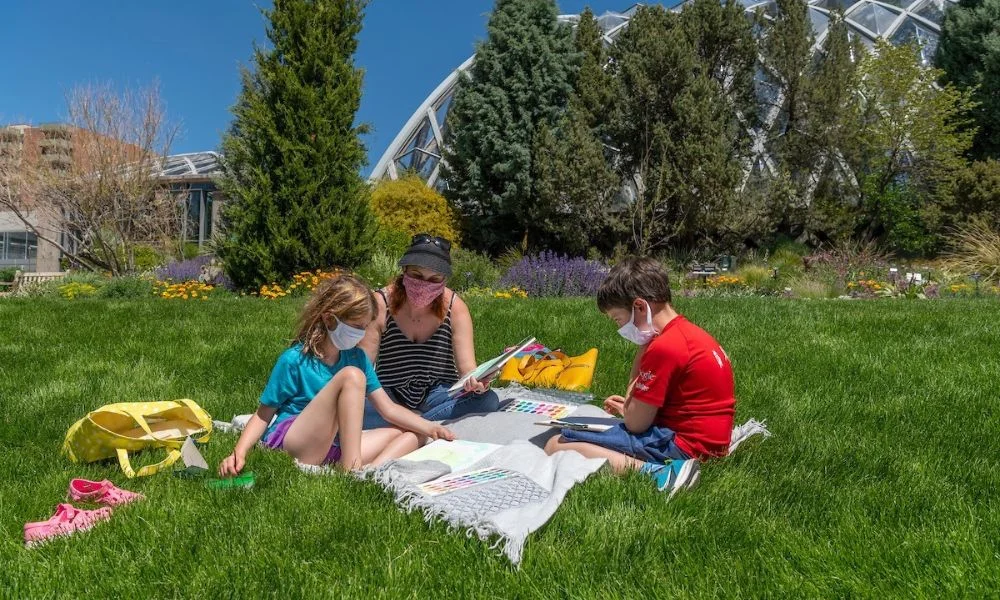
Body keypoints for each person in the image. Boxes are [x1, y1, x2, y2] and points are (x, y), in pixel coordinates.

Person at [219, 274, 454, 476]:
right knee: (351, 376)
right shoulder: (295, 360)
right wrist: (239, 452)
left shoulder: (357, 357)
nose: (362, 334)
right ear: (330, 318)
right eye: (357, 326)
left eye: (365, 327)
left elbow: (388, 409)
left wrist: (431, 428)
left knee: (416, 434)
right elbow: (263, 415)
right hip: (295, 440)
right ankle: (352, 468)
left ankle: (369, 474)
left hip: (335, 444)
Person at [544, 256, 735, 498]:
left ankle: (658, 473)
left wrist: (643, 350)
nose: (619, 328)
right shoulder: (691, 334)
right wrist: (631, 407)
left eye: (618, 319)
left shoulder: (664, 347)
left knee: (557, 444)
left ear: (640, 307)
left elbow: (636, 424)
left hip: (686, 447)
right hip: (711, 442)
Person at [359, 233, 500, 429]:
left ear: (444, 280)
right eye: (417, 276)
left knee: (488, 400)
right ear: (404, 271)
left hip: (438, 392)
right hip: (389, 394)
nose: (424, 284)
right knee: (351, 408)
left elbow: (467, 369)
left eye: (434, 279)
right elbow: (363, 367)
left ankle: (409, 423)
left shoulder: (455, 307)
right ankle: (423, 423)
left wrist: (477, 382)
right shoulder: (380, 304)